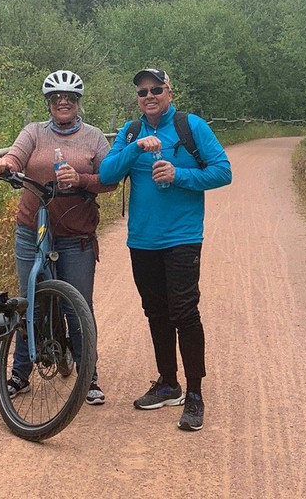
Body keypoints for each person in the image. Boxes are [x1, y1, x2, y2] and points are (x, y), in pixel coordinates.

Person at [98, 67, 232, 431]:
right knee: (155, 312)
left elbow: (223, 171)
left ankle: (195, 394)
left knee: (185, 312)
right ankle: (168, 383)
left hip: (182, 237)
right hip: (142, 240)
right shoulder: (131, 131)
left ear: (169, 92)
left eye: (156, 89)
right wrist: (134, 147)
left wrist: (179, 175)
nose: (149, 96)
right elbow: (108, 173)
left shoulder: (192, 127)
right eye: (142, 92)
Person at [0, 69, 116, 405]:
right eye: (56, 97)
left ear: (78, 103)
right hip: (33, 230)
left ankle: (89, 377)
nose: (63, 102)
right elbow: (16, 154)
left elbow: (110, 179)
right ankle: (20, 374)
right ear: (48, 103)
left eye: (69, 98)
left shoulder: (94, 137)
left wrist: (83, 179)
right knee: (30, 302)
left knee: (78, 306)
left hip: (76, 236)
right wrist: (5, 163)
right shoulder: (33, 133)